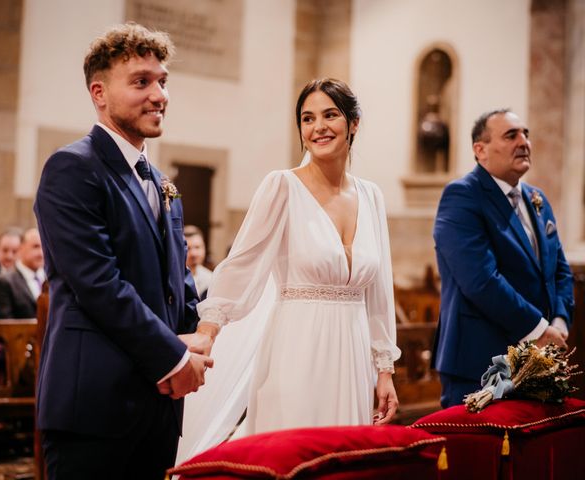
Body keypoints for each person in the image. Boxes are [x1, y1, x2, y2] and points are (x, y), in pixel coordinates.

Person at [179, 78, 400, 461]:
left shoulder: (372, 196)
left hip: (352, 353)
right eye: (307, 118)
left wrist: (385, 369)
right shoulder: (281, 186)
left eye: (330, 115)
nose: (318, 127)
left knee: (344, 459)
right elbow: (241, 265)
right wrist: (207, 330)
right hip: (297, 348)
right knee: (292, 457)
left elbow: (379, 292)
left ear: (354, 123)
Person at [34, 23, 213, 479]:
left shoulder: (159, 181)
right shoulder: (73, 168)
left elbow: (180, 277)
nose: (159, 95)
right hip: (96, 406)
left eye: (162, 82)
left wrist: (194, 334)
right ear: (99, 92)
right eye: (141, 82)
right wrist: (174, 357)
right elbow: (99, 285)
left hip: (158, 406)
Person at [432, 108, 574, 408]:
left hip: (539, 358)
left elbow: (560, 270)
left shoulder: (537, 200)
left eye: (526, 134)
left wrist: (559, 323)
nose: (523, 142)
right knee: (478, 452)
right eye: (511, 135)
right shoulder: (462, 196)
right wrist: (539, 330)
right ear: (480, 150)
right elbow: (480, 280)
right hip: (479, 359)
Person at [0, 228, 45, 319]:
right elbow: (6, 325)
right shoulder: (3, 281)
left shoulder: (51, 278)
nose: (41, 253)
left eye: (44, 247)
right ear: (21, 248)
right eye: (35, 247)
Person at [184, 225, 213, 299]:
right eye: (188, 248)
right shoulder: (172, 279)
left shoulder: (211, 278)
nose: (194, 253)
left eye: (197, 247)